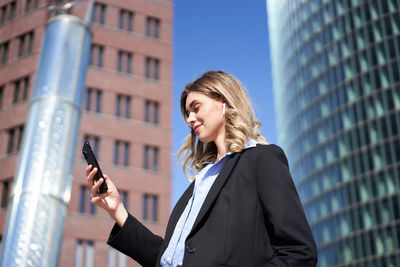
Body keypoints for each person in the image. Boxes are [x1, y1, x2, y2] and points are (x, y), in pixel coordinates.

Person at [86, 71, 318, 266]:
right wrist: (117, 210)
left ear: (224, 102)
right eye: (187, 113)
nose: (189, 118)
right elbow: (167, 258)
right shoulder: (200, 183)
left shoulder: (261, 159)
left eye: (196, 108)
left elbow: (298, 251)